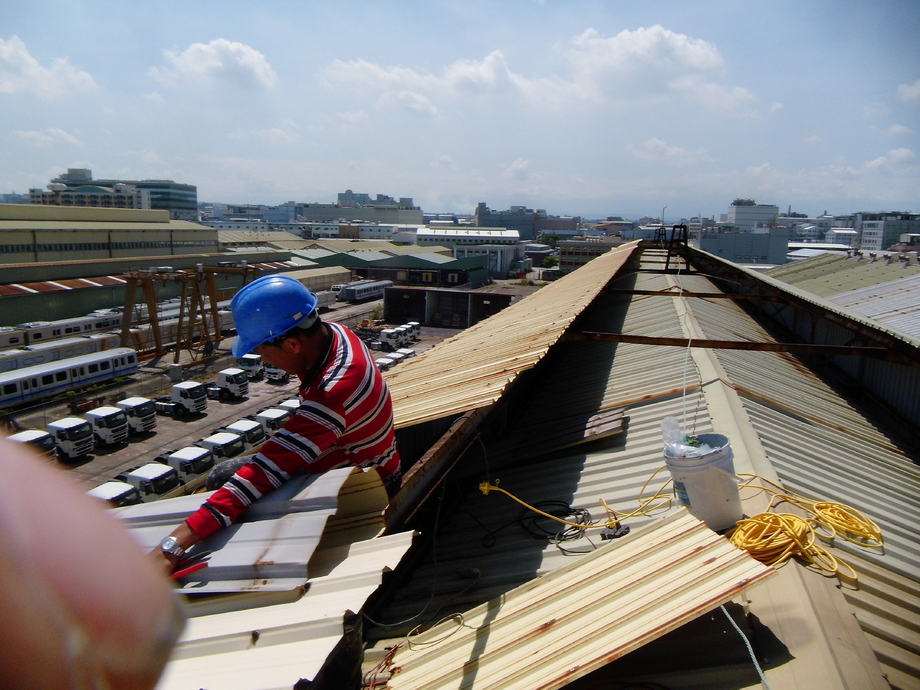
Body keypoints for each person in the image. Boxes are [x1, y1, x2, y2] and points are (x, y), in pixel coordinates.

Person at [151, 274, 401, 574]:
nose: (266, 362)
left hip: (371, 486)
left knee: (224, 480)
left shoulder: (331, 394)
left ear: (293, 344)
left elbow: (260, 475)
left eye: (263, 352)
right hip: (376, 458)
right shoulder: (337, 334)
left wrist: (173, 545)